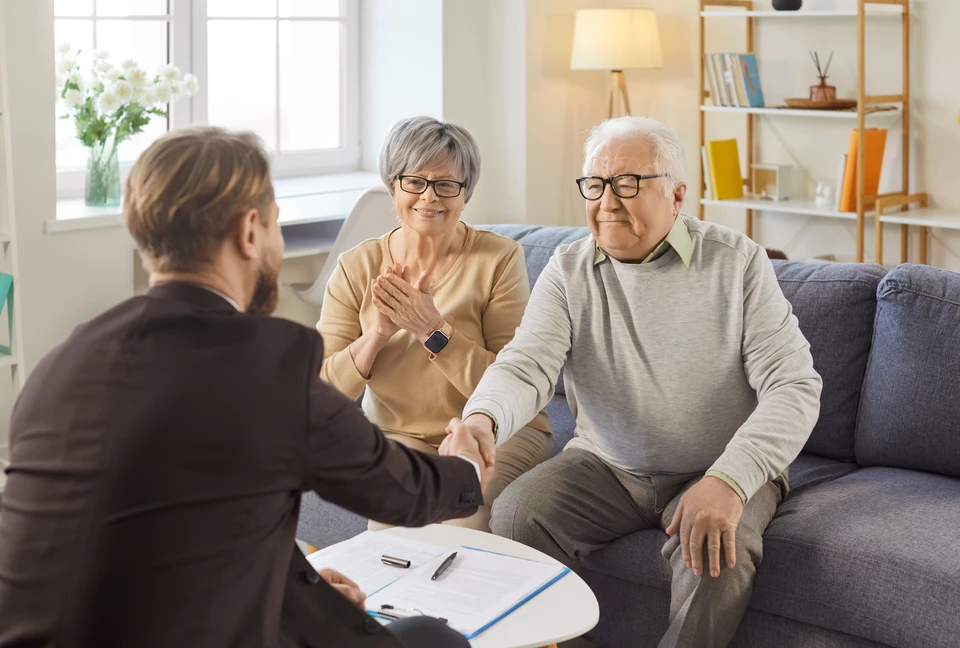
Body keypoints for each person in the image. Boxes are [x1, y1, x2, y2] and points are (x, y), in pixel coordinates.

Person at [0, 127, 489, 648]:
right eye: (275, 222)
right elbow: (399, 491)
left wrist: (290, 587)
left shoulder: (65, 361)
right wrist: (469, 467)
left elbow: (180, 520)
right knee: (434, 639)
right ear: (250, 231)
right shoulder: (266, 363)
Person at [446, 116, 823, 648]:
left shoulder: (736, 263)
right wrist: (481, 421)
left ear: (677, 194)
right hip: (607, 465)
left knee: (716, 554)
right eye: (595, 184)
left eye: (627, 184)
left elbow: (794, 386)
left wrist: (730, 480)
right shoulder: (568, 268)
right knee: (515, 514)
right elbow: (526, 364)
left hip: (716, 466)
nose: (607, 202)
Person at [318, 116, 553, 532]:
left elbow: (514, 380)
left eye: (446, 184)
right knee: (393, 529)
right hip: (398, 434)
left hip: (494, 430)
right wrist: (377, 336)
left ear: (465, 194)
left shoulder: (499, 260)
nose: (429, 196)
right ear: (393, 187)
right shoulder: (356, 266)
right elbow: (320, 394)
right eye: (414, 181)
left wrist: (433, 331)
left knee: (457, 518)